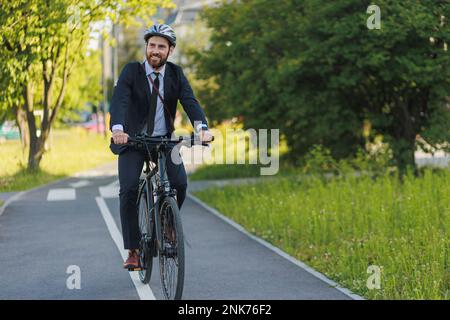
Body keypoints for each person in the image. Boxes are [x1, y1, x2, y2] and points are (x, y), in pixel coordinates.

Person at [109, 24, 213, 270]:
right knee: (129, 190)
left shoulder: (176, 74)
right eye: (152, 45)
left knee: (180, 184)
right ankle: (133, 249)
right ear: (146, 47)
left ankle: (166, 222)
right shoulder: (131, 72)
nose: (155, 50)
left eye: (161, 47)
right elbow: (120, 101)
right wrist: (118, 129)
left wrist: (202, 128)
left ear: (170, 50)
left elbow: (190, 102)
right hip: (132, 142)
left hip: (164, 141)